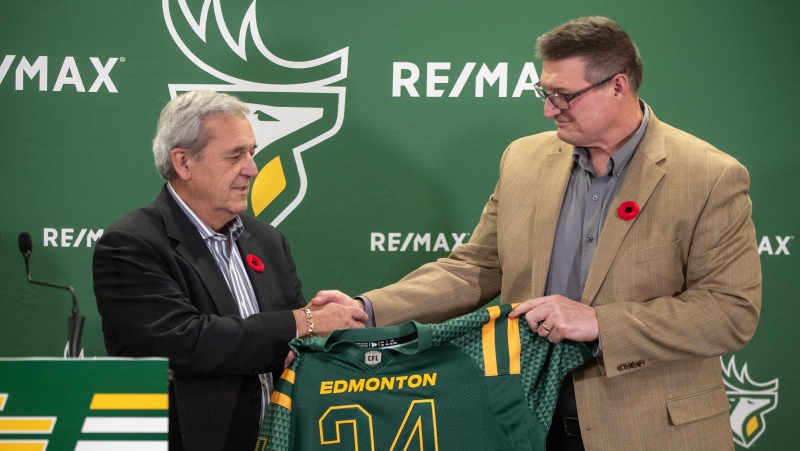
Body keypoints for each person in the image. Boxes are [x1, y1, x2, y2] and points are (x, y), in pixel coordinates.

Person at [313, 16, 761, 451]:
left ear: (618, 86)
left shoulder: (709, 176)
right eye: (544, 94)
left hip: (654, 433)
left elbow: (730, 311)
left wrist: (600, 322)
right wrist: (367, 310)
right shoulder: (523, 159)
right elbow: (477, 266)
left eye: (563, 96)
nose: (549, 110)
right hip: (524, 425)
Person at [93, 90, 367, 451]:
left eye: (252, 152)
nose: (252, 168)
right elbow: (186, 343)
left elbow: (294, 344)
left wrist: (319, 333)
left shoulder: (268, 241)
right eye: (235, 155)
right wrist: (305, 322)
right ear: (184, 163)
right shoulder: (131, 245)